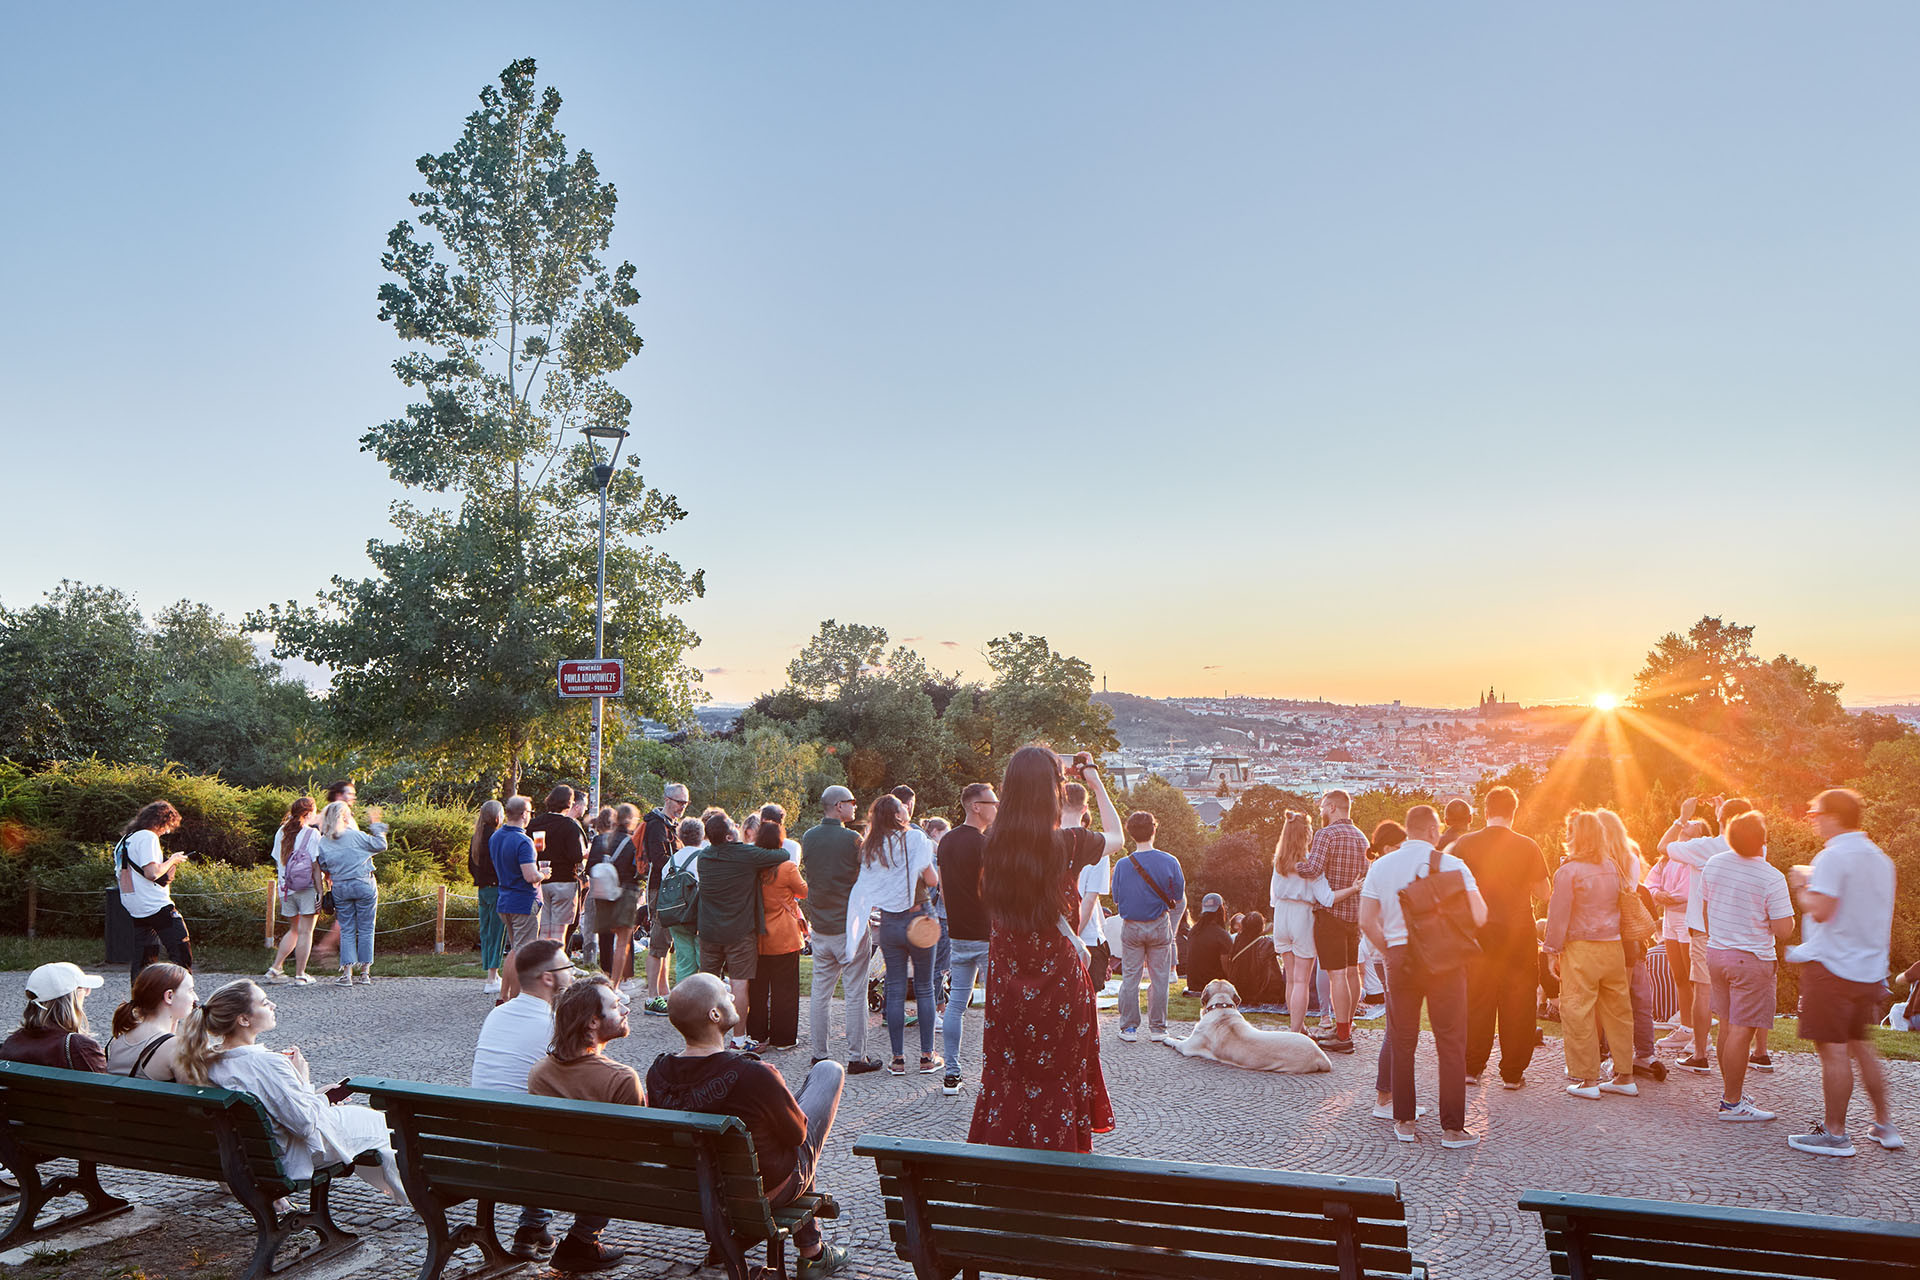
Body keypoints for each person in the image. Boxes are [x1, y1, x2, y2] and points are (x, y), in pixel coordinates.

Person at [647, 975, 852, 1279]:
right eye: (725, 993)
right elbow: (797, 1136)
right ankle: (813, 1255)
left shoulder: (658, 1073)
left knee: (772, 1123)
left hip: (698, 1194)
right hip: (760, 1191)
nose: (732, 995)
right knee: (828, 1071)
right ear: (714, 1015)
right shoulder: (754, 1073)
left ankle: (804, 1250)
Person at [969, 746, 1114, 1152]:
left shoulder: (993, 845)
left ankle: (1006, 1155)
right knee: (1059, 1077)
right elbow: (1118, 836)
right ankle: (1059, 1155)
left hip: (1007, 982)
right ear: (1053, 791)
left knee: (1010, 1073)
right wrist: (1094, 782)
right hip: (1060, 984)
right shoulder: (1068, 843)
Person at [175, 980, 405, 1206]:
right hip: (291, 1156)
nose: (273, 1005)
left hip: (247, 1155)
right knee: (383, 1127)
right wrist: (303, 1080)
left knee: (370, 1126)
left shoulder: (207, 1061)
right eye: (264, 1003)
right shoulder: (268, 1063)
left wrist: (320, 1098)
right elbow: (305, 1124)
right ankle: (414, 1196)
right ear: (243, 1019)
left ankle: (404, 1192)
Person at [1358, 805, 1487, 1148]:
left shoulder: (1381, 866)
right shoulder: (1453, 864)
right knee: (1451, 1041)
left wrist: (1389, 950)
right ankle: (1452, 1129)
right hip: (1445, 958)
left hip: (1399, 954)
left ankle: (1404, 1122)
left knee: (1402, 1039)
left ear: (1407, 830)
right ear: (1433, 831)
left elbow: (1366, 920)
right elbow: (1480, 914)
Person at [1786, 789, 1903, 1155]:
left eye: (1815, 813)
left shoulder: (1832, 856)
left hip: (1831, 966)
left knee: (1834, 1052)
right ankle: (1884, 1124)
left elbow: (1821, 910)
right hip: (1867, 969)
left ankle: (1835, 1134)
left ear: (1834, 816)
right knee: (1861, 1046)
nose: (1812, 819)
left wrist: (1802, 884)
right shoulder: (1881, 859)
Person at [470, 939, 579, 1260]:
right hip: (529, 1153)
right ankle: (582, 1239)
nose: (574, 974)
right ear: (548, 978)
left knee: (532, 1119)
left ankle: (533, 1225)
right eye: (568, 967)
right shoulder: (556, 1025)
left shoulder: (497, 1015)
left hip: (480, 1146)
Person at [526, 978, 638, 1273]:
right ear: (592, 1023)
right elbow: (634, 1153)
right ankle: (582, 1238)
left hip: (549, 1182)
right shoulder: (621, 1079)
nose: (625, 1010)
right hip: (601, 1183)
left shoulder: (539, 1073)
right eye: (615, 1006)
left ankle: (563, 1235)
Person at [1449, 786, 1550, 1089]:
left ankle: (1471, 1066)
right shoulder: (1528, 846)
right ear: (1513, 813)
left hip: (1478, 931)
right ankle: (1512, 1072)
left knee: (1476, 998)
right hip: (1518, 931)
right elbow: (1544, 892)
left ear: (1485, 811)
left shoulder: (1465, 844)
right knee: (1518, 1000)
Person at [1700, 810, 1794, 1122]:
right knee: (1742, 1030)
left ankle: (1732, 1091)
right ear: (1762, 840)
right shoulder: (1771, 877)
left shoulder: (1714, 864)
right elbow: (1784, 930)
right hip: (1751, 959)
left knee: (1727, 1026)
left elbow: (1706, 909)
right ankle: (1732, 1102)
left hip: (1717, 953)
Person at [1657, 795, 1760, 1072]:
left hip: (1705, 929)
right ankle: (1742, 1058)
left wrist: (1682, 817)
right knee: (1735, 998)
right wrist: (1720, 814)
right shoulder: (1758, 849)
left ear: (1721, 820)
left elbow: (1662, 847)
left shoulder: (1705, 847)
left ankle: (1700, 1054)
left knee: (1702, 992)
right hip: (1743, 930)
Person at [1544, 812, 1638, 1102]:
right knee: (1619, 1012)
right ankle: (1625, 1075)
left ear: (1576, 836)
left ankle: (1588, 1079)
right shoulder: (1612, 866)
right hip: (1613, 947)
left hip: (1581, 948)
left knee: (1578, 1011)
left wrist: (1551, 951)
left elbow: (1557, 915)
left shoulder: (1568, 871)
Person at [845, 795, 942, 1075]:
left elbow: (867, 887)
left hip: (889, 922)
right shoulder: (915, 839)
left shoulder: (871, 847)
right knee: (924, 987)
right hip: (920, 917)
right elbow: (932, 880)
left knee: (895, 987)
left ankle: (897, 1059)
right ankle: (927, 1057)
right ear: (898, 814)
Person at [696, 809, 791, 1050]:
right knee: (739, 984)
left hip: (709, 930)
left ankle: (706, 1038)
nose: (737, 826)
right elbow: (783, 854)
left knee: (708, 985)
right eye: (733, 825)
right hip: (740, 932)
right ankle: (738, 1039)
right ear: (729, 836)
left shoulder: (704, 857)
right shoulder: (746, 854)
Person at [801, 785, 878, 1073]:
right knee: (855, 992)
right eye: (851, 802)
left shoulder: (809, 837)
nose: (854, 806)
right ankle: (857, 1057)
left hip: (821, 926)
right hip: (850, 926)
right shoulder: (852, 840)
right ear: (838, 806)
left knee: (820, 993)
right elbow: (870, 871)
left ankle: (819, 1054)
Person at [937, 783, 998, 1093]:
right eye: (992, 802)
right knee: (997, 1006)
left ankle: (952, 1072)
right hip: (987, 934)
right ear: (976, 806)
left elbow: (943, 889)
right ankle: (997, 1072)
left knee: (956, 1005)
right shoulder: (986, 844)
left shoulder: (946, 841)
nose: (997, 807)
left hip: (959, 933)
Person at [1596, 808, 1664, 1082]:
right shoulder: (1631, 859)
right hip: (1632, 939)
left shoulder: (1598, 862)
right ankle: (1645, 1052)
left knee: (1611, 1001)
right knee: (1639, 998)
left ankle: (1614, 1054)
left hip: (1607, 938)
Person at [1298, 789, 1369, 1053]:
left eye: (1322, 807)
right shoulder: (1362, 837)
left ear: (1331, 807)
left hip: (1331, 915)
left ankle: (1342, 1036)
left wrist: (1292, 863)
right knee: (1352, 972)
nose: (1321, 812)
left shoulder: (1325, 834)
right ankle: (1346, 1027)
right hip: (1354, 915)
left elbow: (1313, 869)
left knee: (1337, 975)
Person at [1270, 810, 1349, 1036]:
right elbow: (1327, 898)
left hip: (1281, 914)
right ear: (1306, 833)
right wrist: (1354, 888)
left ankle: (1297, 1026)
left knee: (1291, 980)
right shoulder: (1309, 863)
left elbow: (1273, 896)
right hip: (1302, 915)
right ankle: (1296, 1032)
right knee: (1301, 981)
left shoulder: (1279, 862)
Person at [1111, 809, 1185, 1045]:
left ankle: (1129, 1027)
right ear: (1154, 830)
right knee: (1160, 978)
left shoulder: (1122, 865)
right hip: (1159, 924)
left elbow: (1116, 899)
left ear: (1130, 833)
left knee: (1130, 978)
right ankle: (1158, 1028)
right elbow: (1178, 896)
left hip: (1132, 926)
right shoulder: (1170, 861)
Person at [747, 815, 809, 1051]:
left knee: (758, 989)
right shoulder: (787, 867)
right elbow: (803, 892)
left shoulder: (752, 868)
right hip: (784, 935)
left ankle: (757, 1034)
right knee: (785, 989)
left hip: (758, 935)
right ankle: (783, 1038)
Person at [114, 800, 193, 981]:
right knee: (181, 954)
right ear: (160, 821)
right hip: (155, 905)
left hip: (136, 906)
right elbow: (152, 873)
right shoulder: (148, 837)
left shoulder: (125, 840)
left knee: (144, 960)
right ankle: (184, 993)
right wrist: (173, 860)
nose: (167, 831)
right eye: (168, 826)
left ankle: (140, 997)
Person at [316, 798, 387, 986]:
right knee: (366, 928)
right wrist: (376, 826)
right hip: (364, 883)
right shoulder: (356, 836)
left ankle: (347, 974)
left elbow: (323, 865)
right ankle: (365, 974)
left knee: (346, 929)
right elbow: (381, 845)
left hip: (341, 886)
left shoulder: (324, 841)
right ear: (345, 817)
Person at [1064, 778, 1126, 985]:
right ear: (1084, 809)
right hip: (1085, 936)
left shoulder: (1041, 840)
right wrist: (1096, 783)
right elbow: (1089, 901)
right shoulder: (1092, 846)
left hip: (1049, 936)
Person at [641, 783, 693, 1015]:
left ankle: (663, 991)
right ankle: (652, 997)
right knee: (658, 941)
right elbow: (658, 858)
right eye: (679, 802)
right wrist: (682, 862)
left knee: (666, 942)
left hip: (668, 889)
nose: (682, 807)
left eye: (686, 803)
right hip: (660, 889)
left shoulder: (670, 824)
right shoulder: (656, 824)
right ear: (667, 799)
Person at [1, 962, 108, 1070]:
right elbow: (102, 1080)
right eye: (84, 988)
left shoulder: (12, 1043)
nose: (88, 992)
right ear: (71, 999)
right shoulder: (78, 1047)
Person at [263, 797, 323, 985]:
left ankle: (275, 968)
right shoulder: (312, 834)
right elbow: (315, 866)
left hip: (286, 888)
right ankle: (300, 975)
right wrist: (320, 891)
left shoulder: (281, 832)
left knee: (294, 929)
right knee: (306, 932)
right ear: (309, 813)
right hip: (307, 888)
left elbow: (278, 859)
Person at [490, 796, 546, 998]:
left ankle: (504, 996)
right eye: (530, 812)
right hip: (524, 902)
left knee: (514, 951)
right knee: (523, 954)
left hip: (505, 899)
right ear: (523, 814)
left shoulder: (496, 837)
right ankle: (515, 999)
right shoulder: (524, 841)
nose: (530, 816)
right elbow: (530, 876)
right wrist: (543, 874)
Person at [106, 962, 195, 1080]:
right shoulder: (175, 1047)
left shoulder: (118, 1040)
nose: (196, 998)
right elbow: (196, 1090)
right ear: (169, 996)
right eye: (190, 991)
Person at [587, 804, 642, 991]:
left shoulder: (600, 840)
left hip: (603, 893)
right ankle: (617, 985)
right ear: (630, 820)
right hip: (625, 893)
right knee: (622, 942)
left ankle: (606, 978)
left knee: (605, 938)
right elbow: (638, 870)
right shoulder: (632, 842)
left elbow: (590, 868)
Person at [1646, 848, 1696, 1052]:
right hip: (1669, 919)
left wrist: (1663, 896)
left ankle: (1700, 1034)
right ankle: (1686, 1028)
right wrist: (1658, 894)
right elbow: (1650, 884)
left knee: (1694, 978)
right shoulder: (1666, 860)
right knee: (1679, 977)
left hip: (1688, 918)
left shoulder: (1695, 855)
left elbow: (1685, 892)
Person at [529, 786, 590, 945]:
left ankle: (542, 959)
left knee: (543, 929)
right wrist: (585, 853)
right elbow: (575, 856)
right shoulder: (569, 825)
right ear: (569, 803)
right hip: (564, 882)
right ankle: (556, 960)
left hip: (541, 880)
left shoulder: (534, 824)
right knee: (558, 932)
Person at [656, 816, 706, 989]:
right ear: (702, 835)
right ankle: (705, 998)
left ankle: (684, 997)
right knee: (703, 960)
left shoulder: (671, 861)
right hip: (698, 916)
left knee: (684, 961)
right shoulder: (704, 857)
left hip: (676, 915)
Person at [471, 800, 508, 994]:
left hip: (482, 889)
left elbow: (471, 866)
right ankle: (492, 977)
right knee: (497, 933)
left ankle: (491, 973)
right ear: (497, 816)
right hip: (496, 889)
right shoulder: (497, 837)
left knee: (486, 932)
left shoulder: (476, 837)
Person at [919, 816, 953, 1017]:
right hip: (940, 917)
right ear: (935, 833)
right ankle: (934, 1010)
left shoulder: (924, 858)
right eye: (945, 834)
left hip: (930, 918)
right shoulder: (934, 860)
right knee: (940, 965)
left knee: (934, 965)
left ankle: (938, 1005)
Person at [1225, 912, 1286, 1005]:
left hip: (1240, 991)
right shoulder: (1267, 943)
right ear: (1261, 926)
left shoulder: (1236, 940)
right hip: (1261, 993)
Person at [1183, 895, 1233, 995]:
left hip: (1193, 985)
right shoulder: (1222, 935)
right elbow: (1226, 967)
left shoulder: (1193, 931)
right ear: (1221, 910)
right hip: (1213, 985)